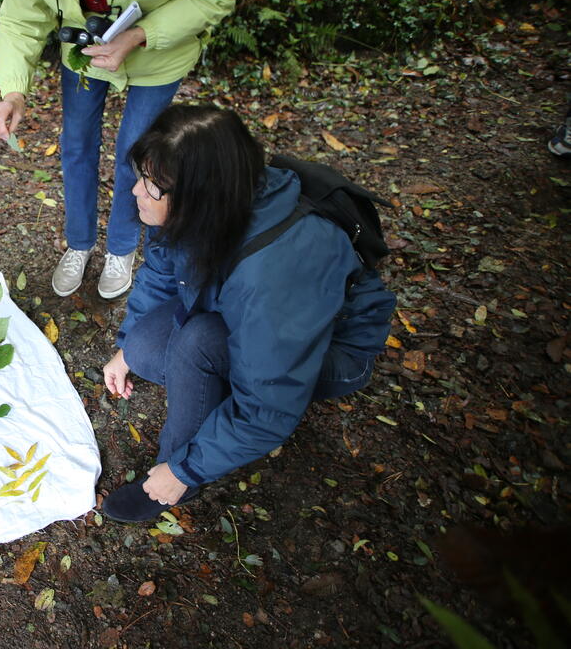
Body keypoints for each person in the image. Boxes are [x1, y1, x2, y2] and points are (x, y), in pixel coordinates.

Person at [99, 105, 397, 522]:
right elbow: (162, 271)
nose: (135, 192)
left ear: (199, 196)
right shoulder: (207, 200)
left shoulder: (273, 274)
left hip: (331, 350)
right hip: (244, 310)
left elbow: (268, 407)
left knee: (197, 342)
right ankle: (217, 393)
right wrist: (126, 345)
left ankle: (174, 483)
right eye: (141, 178)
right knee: (145, 351)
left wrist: (183, 471)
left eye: (150, 186)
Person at [0, 0, 243, 299]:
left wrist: (143, 34)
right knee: (75, 145)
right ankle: (80, 243)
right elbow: (22, 12)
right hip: (83, 54)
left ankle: (121, 248)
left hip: (157, 56)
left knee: (137, 156)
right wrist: (14, 91)